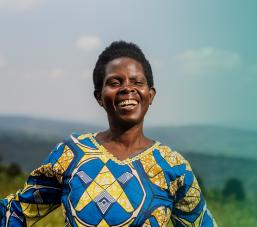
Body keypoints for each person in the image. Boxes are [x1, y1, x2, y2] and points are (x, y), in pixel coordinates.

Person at [0, 41, 217, 226]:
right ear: (99, 97)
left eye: (137, 82)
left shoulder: (173, 166)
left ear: (150, 95)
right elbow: (17, 211)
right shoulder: (72, 153)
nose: (127, 89)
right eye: (115, 82)